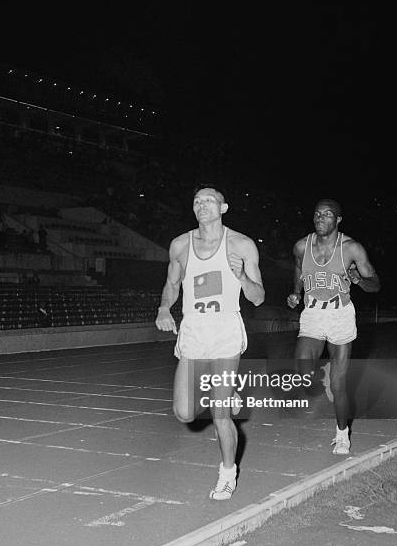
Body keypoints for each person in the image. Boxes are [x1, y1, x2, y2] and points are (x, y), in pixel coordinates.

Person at [156, 186, 265, 500]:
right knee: (184, 413)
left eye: (209, 200)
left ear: (224, 207)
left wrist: (242, 277)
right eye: (196, 201)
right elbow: (171, 285)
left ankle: (228, 473)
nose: (201, 205)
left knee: (220, 414)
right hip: (193, 329)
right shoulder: (180, 245)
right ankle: (227, 391)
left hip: (225, 330)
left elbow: (257, 299)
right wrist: (164, 308)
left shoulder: (241, 244)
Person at [287, 199, 380, 455]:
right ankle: (322, 376)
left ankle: (342, 435)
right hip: (313, 313)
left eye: (328, 215)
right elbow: (298, 270)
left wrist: (359, 280)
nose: (321, 218)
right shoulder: (301, 246)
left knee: (339, 386)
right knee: (304, 373)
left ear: (338, 220)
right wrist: (296, 293)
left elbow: (376, 284)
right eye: (317, 214)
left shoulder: (351, 248)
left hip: (340, 314)